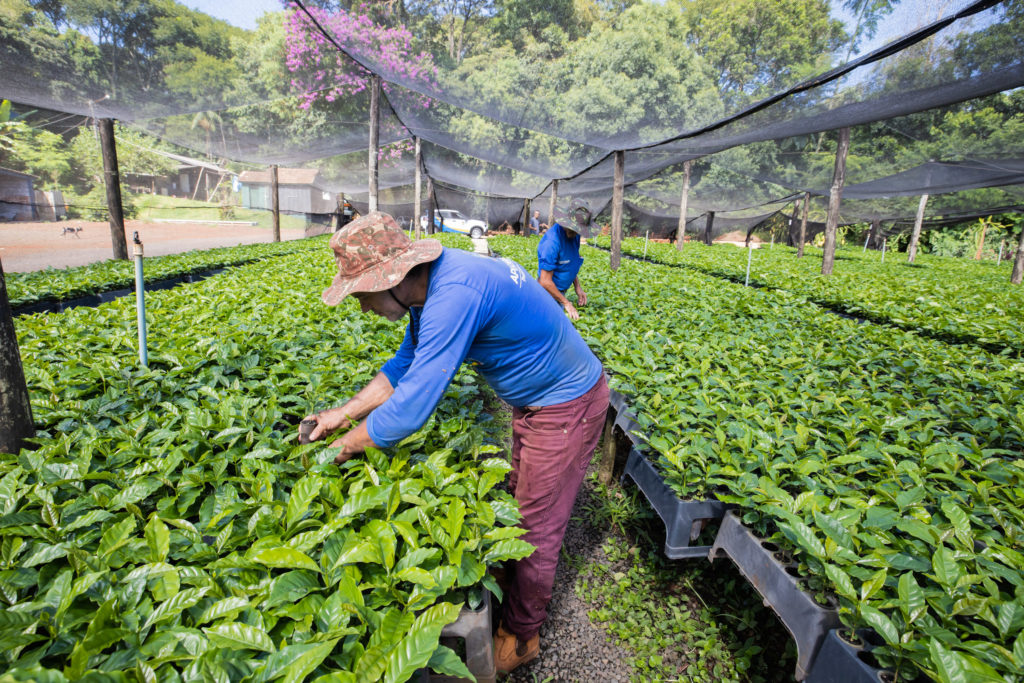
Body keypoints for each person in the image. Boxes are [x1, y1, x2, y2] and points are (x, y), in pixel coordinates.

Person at [303, 212, 610, 676]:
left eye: (362, 294)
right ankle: (512, 581)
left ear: (393, 278)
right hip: (537, 403)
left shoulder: (453, 296)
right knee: (521, 501)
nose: (363, 307)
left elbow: (411, 408)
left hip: (567, 404)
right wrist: (339, 415)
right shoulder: (430, 292)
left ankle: (522, 635)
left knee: (535, 527)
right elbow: (404, 366)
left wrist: (345, 445)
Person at [536, 202, 590, 321]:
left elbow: (570, 262)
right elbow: (545, 281)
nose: (575, 232)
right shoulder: (552, 242)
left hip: (560, 292)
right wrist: (566, 303)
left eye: (578, 229)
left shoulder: (574, 236)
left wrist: (578, 287)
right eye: (572, 228)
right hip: (547, 293)